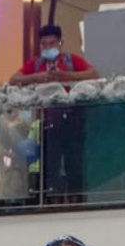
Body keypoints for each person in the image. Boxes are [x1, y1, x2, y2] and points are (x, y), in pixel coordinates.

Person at [8, 25, 99, 204]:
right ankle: (52, 201)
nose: (47, 48)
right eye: (44, 44)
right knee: (51, 165)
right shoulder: (36, 64)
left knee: (75, 164)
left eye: (51, 43)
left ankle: (76, 201)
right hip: (48, 121)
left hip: (73, 119)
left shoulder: (70, 60)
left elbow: (94, 74)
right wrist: (36, 77)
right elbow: (14, 79)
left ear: (60, 43)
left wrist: (66, 75)